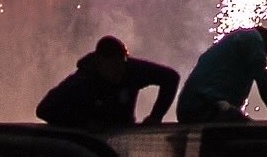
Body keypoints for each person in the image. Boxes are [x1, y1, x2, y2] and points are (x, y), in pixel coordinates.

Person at [36, 35, 180, 130]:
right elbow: (44, 109)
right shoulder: (82, 81)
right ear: (99, 63)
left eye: (121, 65)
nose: (120, 72)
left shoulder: (132, 70)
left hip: (123, 137)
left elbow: (171, 78)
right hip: (92, 142)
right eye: (113, 67)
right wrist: (85, 123)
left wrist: (156, 116)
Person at [176, 26, 267, 123]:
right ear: (264, 44)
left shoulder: (231, 41)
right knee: (251, 133)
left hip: (189, 107)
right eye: (264, 54)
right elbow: (263, 79)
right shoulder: (254, 38)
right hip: (204, 106)